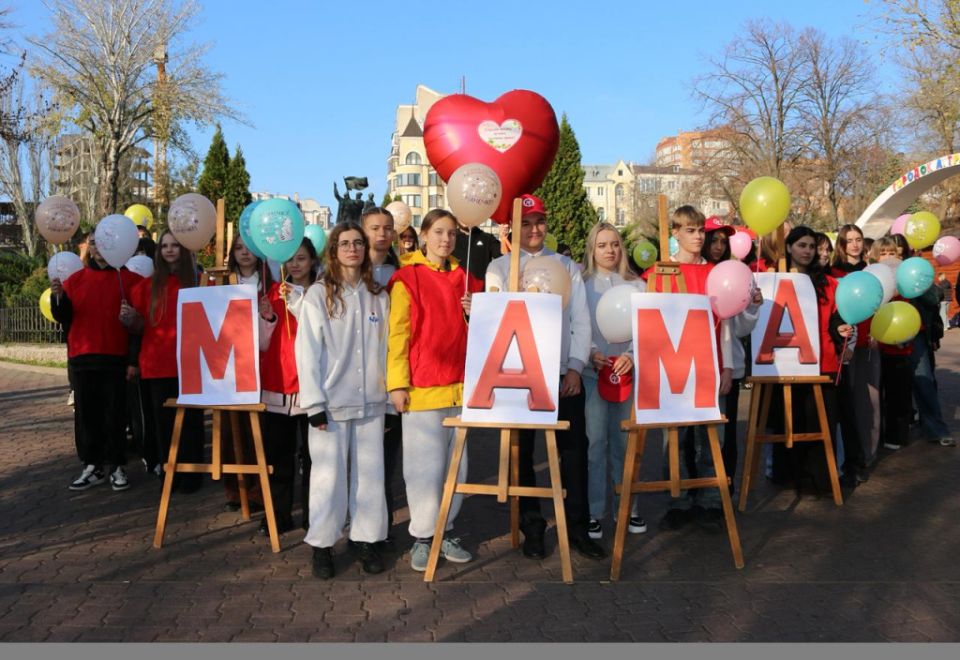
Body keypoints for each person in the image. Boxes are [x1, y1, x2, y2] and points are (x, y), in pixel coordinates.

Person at [486, 195, 605, 561]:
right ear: (513, 228)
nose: (535, 229)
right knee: (523, 454)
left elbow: (581, 321)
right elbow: (492, 320)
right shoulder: (498, 267)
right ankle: (532, 527)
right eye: (526, 222)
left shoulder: (566, 266)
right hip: (517, 378)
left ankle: (578, 528)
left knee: (574, 453)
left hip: (559, 376)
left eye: (539, 221)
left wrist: (573, 366)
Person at [387, 209, 484, 572]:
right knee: (423, 469)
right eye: (439, 232)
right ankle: (424, 536)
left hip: (460, 390)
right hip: (423, 390)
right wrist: (397, 384)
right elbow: (398, 335)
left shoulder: (466, 278)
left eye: (452, 234)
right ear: (424, 235)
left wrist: (477, 312)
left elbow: (484, 333)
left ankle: (447, 529)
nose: (446, 240)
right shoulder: (406, 278)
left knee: (458, 469)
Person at [296, 223, 390, 579]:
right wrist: (313, 402)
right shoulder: (319, 295)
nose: (352, 249)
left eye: (358, 243)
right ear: (333, 251)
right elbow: (306, 351)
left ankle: (367, 540)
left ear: (366, 250)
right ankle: (322, 545)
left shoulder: (378, 295)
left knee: (369, 475)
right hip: (330, 404)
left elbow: (386, 349)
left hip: (371, 402)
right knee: (328, 477)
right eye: (345, 243)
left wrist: (390, 399)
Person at [643, 206, 738, 532]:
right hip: (672, 368)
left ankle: (711, 499)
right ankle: (679, 500)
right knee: (674, 439)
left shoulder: (717, 273)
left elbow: (724, 323)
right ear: (676, 234)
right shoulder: (660, 274)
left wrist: (728, 367)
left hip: (709, 365)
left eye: (700, 230)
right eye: (690, 230)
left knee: (711, 435)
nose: (698, 236)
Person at [51, 233, 143, 491]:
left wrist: (133, 360)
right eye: (93, 243)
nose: (98, 248)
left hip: (116, 358)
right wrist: (57, 297)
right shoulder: (75, 280)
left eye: (103, 243)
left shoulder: (131, 281)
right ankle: (91, 465)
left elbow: (138, 327)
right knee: (86, 416)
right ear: (89, 248)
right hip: (82, 358)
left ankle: (116, 465)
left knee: (115, 414)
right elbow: (64, 317)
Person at [771, 226, 855, 493]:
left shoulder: (829, 284)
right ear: (789, 248)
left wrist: (841, 329)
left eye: (811, 246)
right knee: (792, 422)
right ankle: (795, 477)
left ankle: (823, 479)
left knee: (823, 424)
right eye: (801, 245)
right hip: (786, 363)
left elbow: (836, 318)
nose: (807, 251)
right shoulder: (773, 281)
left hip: (824, 363)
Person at [119, 230, 204, 493]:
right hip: (157, 364)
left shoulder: (199, 282)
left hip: (191, 365)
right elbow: (140, 327)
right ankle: (170, 474)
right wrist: (131, 319)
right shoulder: (145, 287)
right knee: (163, 426)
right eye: (164, 245)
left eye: (175, 245)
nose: (169, 250)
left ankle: (191, 476)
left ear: (184, 249)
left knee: (191, 423)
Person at [580, 222, 645, 541]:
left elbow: (648, 328)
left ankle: (629, 508)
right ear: (592, 249)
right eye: (602, 244)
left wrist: (632, 354)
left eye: (615, 244)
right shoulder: (582, 284)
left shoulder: (638, 286)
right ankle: (594, 512)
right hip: (594, 376)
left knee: (625, 444)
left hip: (627, 377)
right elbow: (577, 326)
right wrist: (590, 353)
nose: (610, 250)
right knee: (595, 445)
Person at [257, 238, 317, 535]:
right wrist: (267, 317)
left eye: (302, 258)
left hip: (310, 388)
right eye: (291, 259)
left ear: (312, 261)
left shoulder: (321, 293)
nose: (295, 264)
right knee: (279, 457)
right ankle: (278, 515)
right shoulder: (272, 292)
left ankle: (313, 515)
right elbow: (263, 344)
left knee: (313, 458)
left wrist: (297, 302)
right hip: (277, 384)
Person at [702, 217, 761, 492]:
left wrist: (752, 307)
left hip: (730, 367)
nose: (718, 246)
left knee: (726, 433)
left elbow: (740, 329)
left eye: (723, 242)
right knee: (698, 434)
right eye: (713, 240)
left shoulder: (736, 274)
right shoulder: (697, 274)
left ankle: (725, 488)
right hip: (699, 365)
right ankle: (698, 490)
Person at [360, 206, 403, 540]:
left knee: (385, 463)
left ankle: (381, 530)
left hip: (392, 377)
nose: (382, 234)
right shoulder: (345, 274)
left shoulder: (402, 272)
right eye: (375, 228)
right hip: (355, 381)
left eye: (388, 228)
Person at [831, 224, 880, 476]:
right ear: (842, 244)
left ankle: (868, 453)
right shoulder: (833, 272)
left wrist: (877, 331)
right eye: (849, 240)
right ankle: (849, 456)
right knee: (847, 404)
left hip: (869, 345)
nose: (854, 244)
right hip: (844, 348)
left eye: (858, 239)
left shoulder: (873, 272)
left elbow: (880, 305)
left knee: (869, 401)